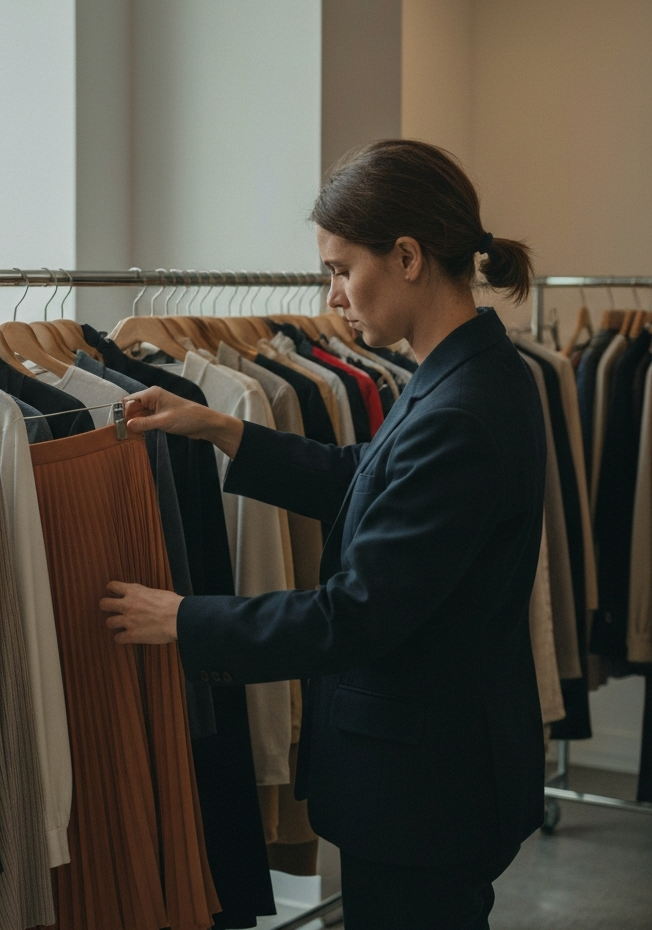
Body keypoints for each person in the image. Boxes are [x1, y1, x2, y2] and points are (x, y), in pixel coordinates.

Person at [100, 140, 547, 930]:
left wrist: (183, 619)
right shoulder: (465, 374)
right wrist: (222, 429)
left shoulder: (460, 411)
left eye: (342, 269)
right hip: (439, 771)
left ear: (407, 256)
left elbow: (355, 613)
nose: (334, 296)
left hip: (425, 794)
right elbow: (369, 480)